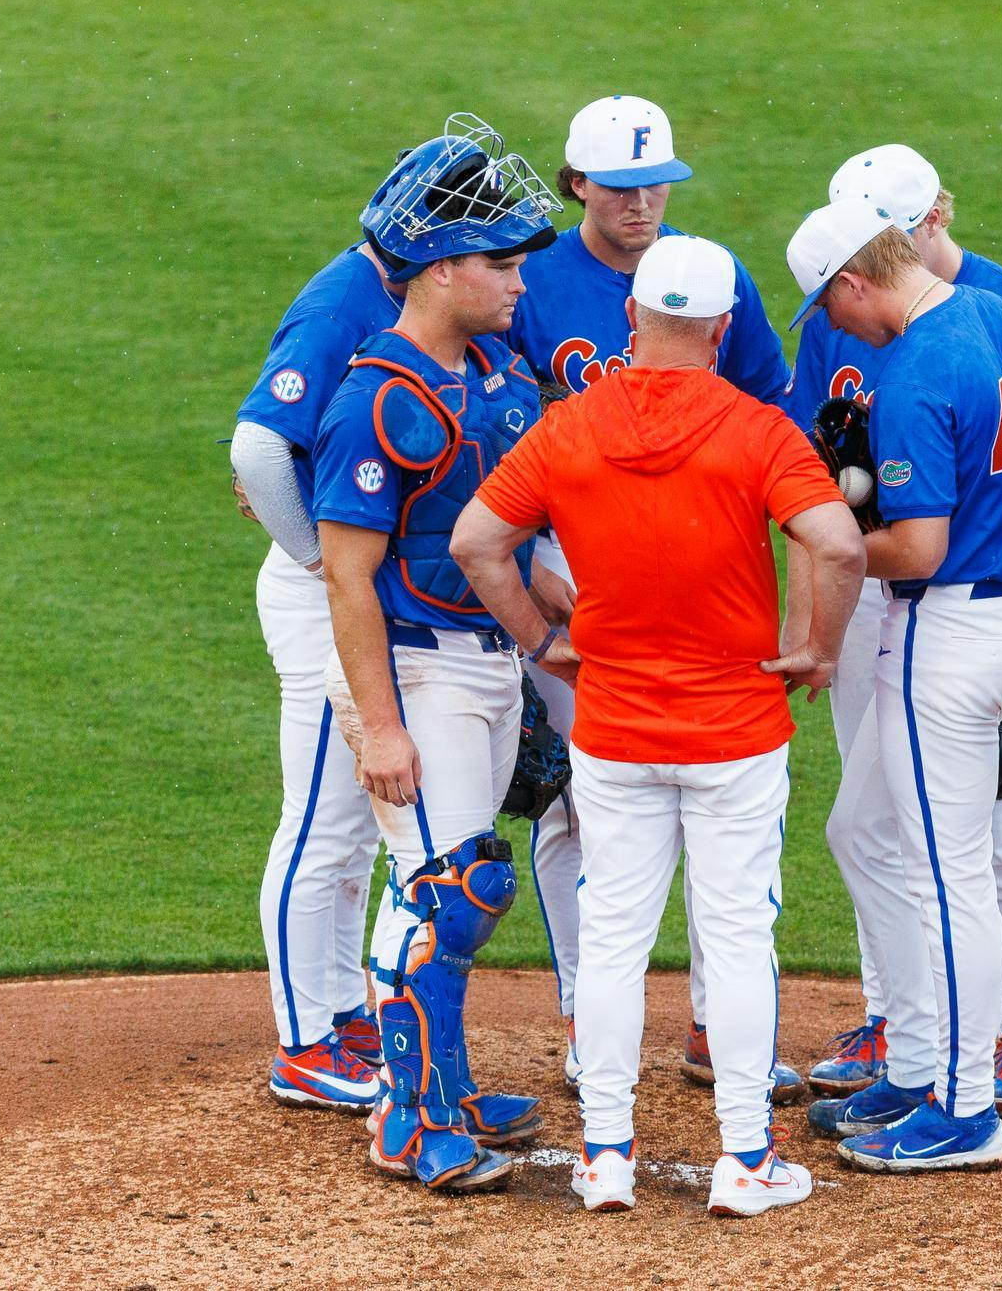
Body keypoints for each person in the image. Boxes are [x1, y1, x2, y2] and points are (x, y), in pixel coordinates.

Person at [453, 234, 864, 1217]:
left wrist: (542, 639)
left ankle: (602, 1157)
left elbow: (477, 541)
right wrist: (816, 645)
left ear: (631, 318)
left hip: (615, 728)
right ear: (722, 329)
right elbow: (839, 543)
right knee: (734, 939)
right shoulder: (755, 428)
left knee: (610, 941)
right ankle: (745, 1160)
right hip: (734, 731)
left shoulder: (569, 427)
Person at [501, 94, 803, 1099]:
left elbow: (766, 415)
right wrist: (543, 604)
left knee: (726, 820)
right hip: (566, 560)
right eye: (621, 187)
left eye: (656, 184)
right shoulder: (532, 285)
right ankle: (590, 1024)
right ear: (576, 183)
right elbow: (504, 439)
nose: (641, 204)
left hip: (696, 572)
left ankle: (717, 1027)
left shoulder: (712, 279)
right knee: (581, 806)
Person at [788, 146, 1002, 1111]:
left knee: (947, 870)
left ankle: (961, 1105)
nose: (831, 328)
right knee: (865, 828)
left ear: (853, 280)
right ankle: (917, 1060)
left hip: (947, 628)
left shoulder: (915, 369)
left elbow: (915, 547)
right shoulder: (1001, 316)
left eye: (828, 306)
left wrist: (836, 544)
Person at [308, 116, 560, 1193]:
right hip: (416, 666)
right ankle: (407, 1121)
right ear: (440, 268)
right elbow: (346, 574)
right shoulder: (380, 397)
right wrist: (380, 726)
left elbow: (515, 543)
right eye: (499, 265)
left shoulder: (497, 376)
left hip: (487, 663)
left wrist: (563, 648)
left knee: (451, 885)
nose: (516, 284)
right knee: (447, 887)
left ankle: (442, 1090)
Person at [231, 147, 416, 1114]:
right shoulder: (346, 298)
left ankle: (342, 1004)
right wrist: (319, 562)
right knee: (324, 819)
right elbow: (260, 449)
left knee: (354, 828)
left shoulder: (395, 287)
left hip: (359, 587)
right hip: (321, 596)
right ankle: (305, 1040)